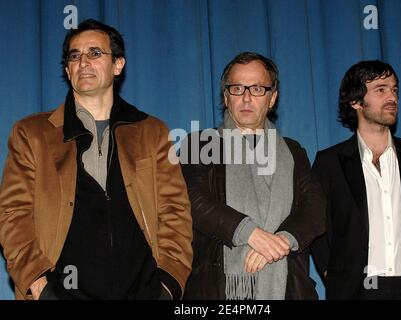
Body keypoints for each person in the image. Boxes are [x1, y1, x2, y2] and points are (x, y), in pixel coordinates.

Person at [0, 19, 193, 300]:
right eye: (74, 56)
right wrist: (40, 286)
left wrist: (168, 286)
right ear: (67, 69)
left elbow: (175, 211)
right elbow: (13, 215)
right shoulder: (32, 133)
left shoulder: (152, 132)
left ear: (118, 65)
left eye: (94, 53)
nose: (83, 62)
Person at [180, 52, 325, 299]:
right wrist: (251, 234)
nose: (246, 98)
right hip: (218, 290)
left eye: (257, 88)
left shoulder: (292, 150)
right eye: (237, 88)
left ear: (272, 98)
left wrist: (280, 241)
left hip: (289, 288)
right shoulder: (200, 144)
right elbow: (194, 201)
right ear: (226, 97)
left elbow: (315, 208)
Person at [311, 60, 401, 300]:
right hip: (356, 288)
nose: (392, 97)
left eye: (394, 89)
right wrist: (332, 273)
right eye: (381, 89)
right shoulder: (330, 162)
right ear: (355, 102)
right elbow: (318, 226)